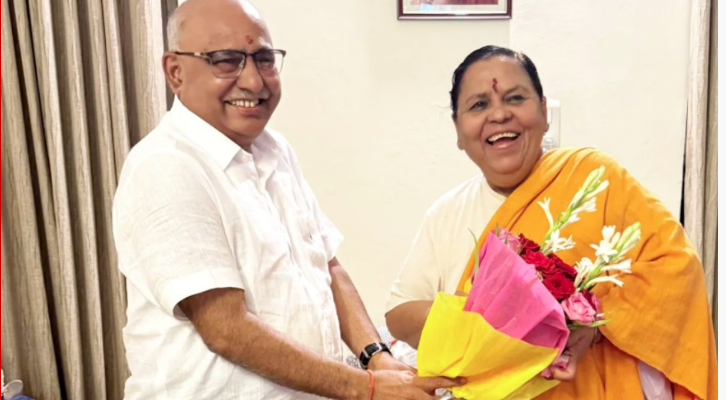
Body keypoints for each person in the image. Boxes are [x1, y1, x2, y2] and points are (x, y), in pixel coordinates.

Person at [111, 0, 463, 399]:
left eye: (263, 59)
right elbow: (225, 329)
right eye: (226, 60)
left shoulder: (274, 150)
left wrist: (375, 356)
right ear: (175, 72)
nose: (253, 81)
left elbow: (327, 266)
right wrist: (365, 388)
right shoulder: (165, 166)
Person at [385, 45, 717, 399]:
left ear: (543, 112)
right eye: (479, 105)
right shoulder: (447, 214)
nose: (499, 115)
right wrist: (492, 323)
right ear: (457, 129)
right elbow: (399, 314)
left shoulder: (595, 180)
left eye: (515, 98)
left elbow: (678, 271)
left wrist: (593, 323)